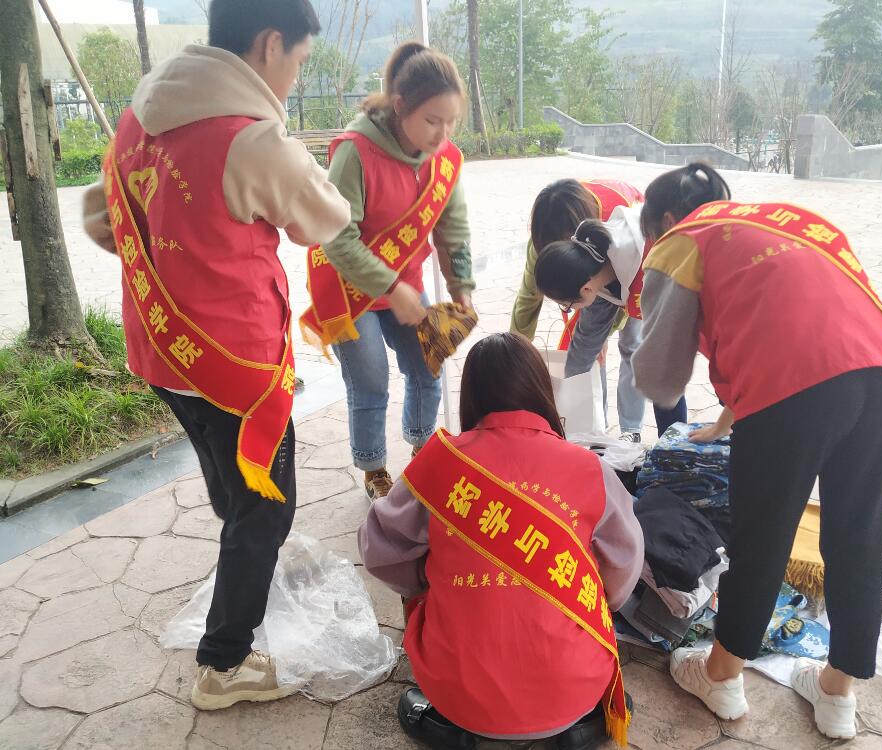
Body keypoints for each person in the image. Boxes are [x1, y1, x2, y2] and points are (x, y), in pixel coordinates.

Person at [81, 0, 351, 710]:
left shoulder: (139, 116)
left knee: (231, 484)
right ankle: (224, 664)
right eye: (299, 61)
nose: (294, 77)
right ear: (270, 43)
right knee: (266, 509)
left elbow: (101, 217)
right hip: (238, 370)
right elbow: (325, 218)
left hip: (162, 352)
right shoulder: (253, 139)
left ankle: (242, 566)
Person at [631, 162, 882, 739]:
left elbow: (660, 380)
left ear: (667, 220)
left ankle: (721, 677)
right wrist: (726, 419)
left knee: (762, 534)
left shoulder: (683, 240)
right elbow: (790, 319)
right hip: (881, 374)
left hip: (794, 388)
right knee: (859, 534)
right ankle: (837, 692)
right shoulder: (782, 220)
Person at [359, 332, 644, 749]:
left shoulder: (440, 463)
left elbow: (378, 549)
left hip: (459, 696)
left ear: (471, 395)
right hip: (575, 688)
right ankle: (574, 724)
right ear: (542, 390)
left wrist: (426, 575)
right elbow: (623, 568)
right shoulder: (590, 469)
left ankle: (459, 723)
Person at [302, 41, 474, 500]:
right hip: (349, 288)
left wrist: (462, 286)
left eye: (451, 121)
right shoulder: (355, 152)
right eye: (432, 121)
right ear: (400, 107)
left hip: (405, 285)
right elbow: (338, 238)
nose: (442, 134)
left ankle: (422, 449)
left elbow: (453, 229)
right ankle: (374, 468)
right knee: (371, 379)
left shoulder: (444, 160)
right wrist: (391, 288)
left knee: (428, 364)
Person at [510, 178, 686, 439]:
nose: (568, 311)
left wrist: (610, 330)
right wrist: (513, 355)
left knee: (646, 356)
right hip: (608, 278)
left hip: (656, 275)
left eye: (567, 306)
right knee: (583, 354)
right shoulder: (553, 243)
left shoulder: (648, 262)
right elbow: (529, 297)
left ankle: (636, 432)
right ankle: (594, 435)